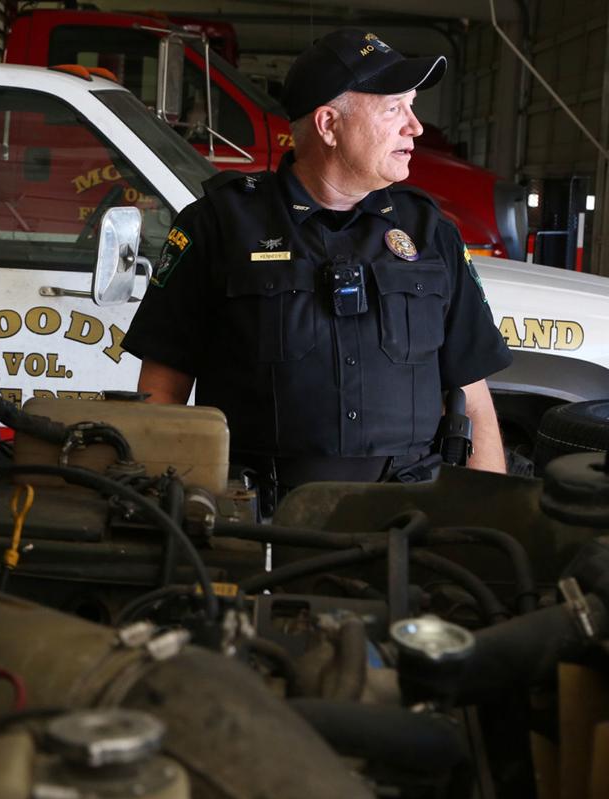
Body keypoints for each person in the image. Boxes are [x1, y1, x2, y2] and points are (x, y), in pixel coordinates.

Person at [121, 28, 513, 496]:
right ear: (328, 124)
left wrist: (486, 517)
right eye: (394, 109)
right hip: (257, 517)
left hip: (408, 515)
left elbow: (473, 400)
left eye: (411, 107)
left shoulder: (431, 233)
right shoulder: (218, 225)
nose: (415, 127)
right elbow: (161, 393)